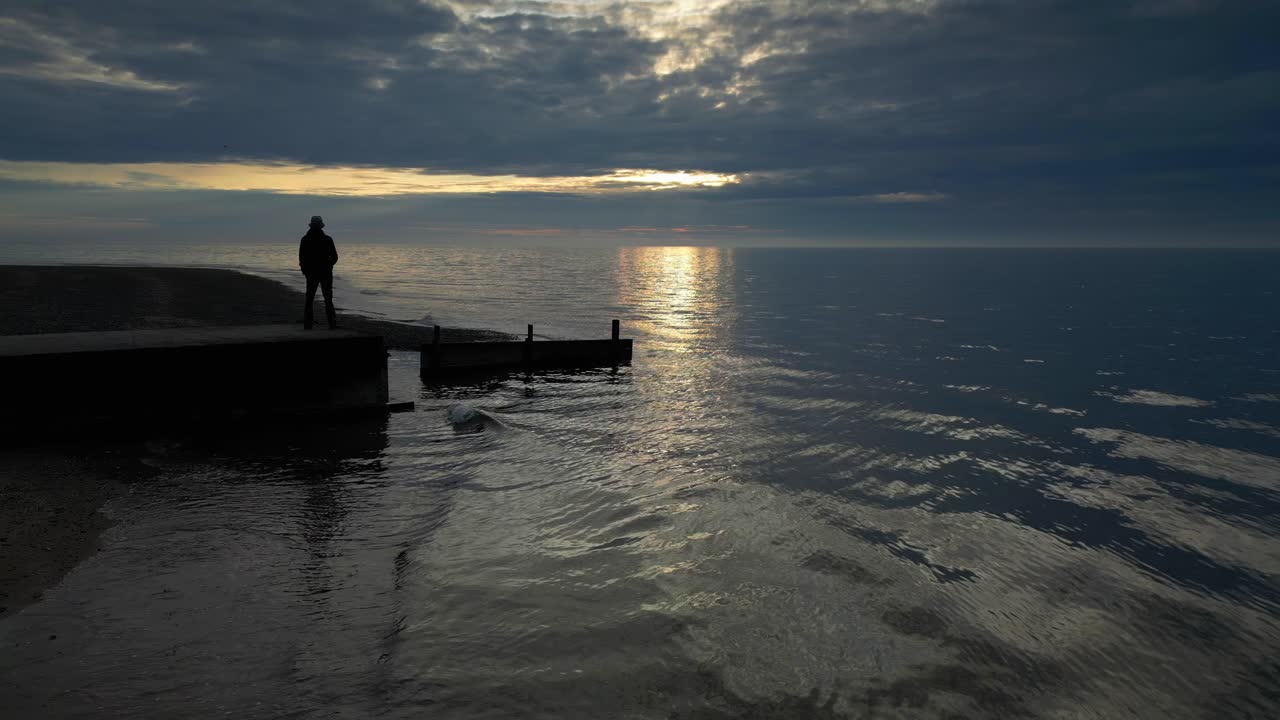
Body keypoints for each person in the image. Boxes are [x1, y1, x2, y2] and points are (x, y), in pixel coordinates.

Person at [299, 215, 339, 329]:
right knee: (327, 299)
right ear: (321, 226)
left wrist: (305, 270)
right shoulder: (327, 239)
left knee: (310, 299)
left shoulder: (305, 239)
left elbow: (302, 258)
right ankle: (332, 324)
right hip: (323, 273)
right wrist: (328, 266)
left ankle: (308, 324)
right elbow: (335, 257)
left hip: (313, 273)